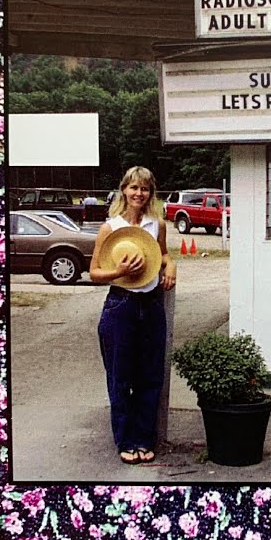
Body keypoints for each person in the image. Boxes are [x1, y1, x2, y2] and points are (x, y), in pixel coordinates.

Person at [89, 166, 177, 465]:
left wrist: (171, 265)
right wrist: (119, 271)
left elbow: (162, 254)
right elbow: (94, 272)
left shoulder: (157, 225)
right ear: (124, 190)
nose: (139, 193)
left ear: (151, 193)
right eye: (134, 187)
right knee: (120, 376)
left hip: (151, 305)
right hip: (121, 305)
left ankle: (143, 439)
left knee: (149, 376)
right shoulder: (110, 228)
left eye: (145, 188)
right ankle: (125, 440)